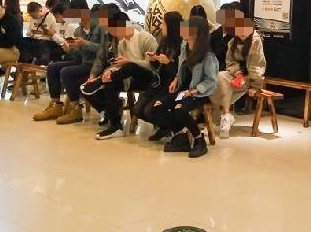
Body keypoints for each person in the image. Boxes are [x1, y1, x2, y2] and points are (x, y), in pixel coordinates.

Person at [81, 11, 158, 140]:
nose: (111, 33)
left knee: (130, 66)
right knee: (110, 81)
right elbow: (119, 65)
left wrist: (129, 61)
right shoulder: (122, 43)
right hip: (129, 78)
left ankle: (99, 82)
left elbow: (154, 66)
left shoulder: (145, 38)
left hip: (148, 77)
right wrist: (110, 71)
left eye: (112, 29)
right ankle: (116, 126)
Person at [154, 16, 218, 157]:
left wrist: (193, 91)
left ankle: (199, 140)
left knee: (180, 109)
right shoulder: (184, 45)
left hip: (200, 93)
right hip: (183, 90)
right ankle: (181, 135)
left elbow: (211, 81)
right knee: (158, 106)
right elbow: (181, 66)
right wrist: (176, 79)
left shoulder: (207, 55)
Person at [33, 0, 105, 124]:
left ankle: (76, 108)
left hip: (96, 64)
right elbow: (79, 55)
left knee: (66, 72)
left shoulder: (100, 27)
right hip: (83, 61)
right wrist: (70, 49)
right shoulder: (78, 30)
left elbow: (104, 49)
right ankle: (56, 105)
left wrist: (85, 43)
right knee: (52, 67)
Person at [211, 16, 266, 138]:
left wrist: (255, 86)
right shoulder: (232, 42)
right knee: (220, 77)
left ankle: (224, 117)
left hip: (250, 77)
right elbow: (230, 62)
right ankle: (226, 115)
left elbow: (257, 65)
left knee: (226, 85)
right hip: (236, 74)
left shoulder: (255, 41)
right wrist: (238, 74)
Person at [134, 11, 183, 142]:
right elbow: (157, 66)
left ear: (171, 26)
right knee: (137, 110)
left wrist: (168, 62)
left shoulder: (182, 43)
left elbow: (183, 70)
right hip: (158, 82)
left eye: (163, 23)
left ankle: (173, 128)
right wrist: (154, 59)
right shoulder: (164, 41)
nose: (161, 26)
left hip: (172, 84)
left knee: (149, 110)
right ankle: (164, 128)